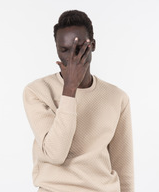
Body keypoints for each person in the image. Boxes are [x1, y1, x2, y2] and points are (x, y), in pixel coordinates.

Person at [23, 10, 134, 192]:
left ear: (93, 45)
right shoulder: (37, 91)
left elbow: (124, 168)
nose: (71, 58)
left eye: (79, 49)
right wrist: (69, 90)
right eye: (64, 50)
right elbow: (55, 154)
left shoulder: (117, 97)